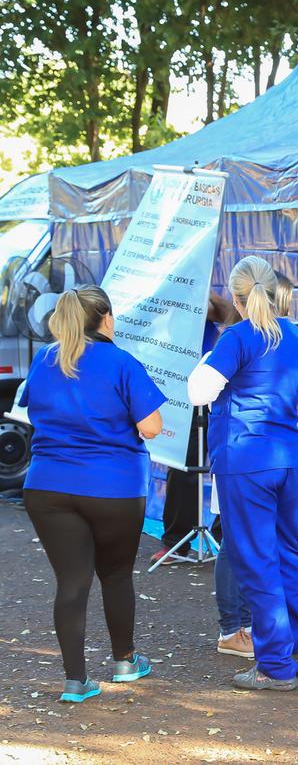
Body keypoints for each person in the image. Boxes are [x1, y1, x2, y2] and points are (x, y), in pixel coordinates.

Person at [20, 286, 166, 703]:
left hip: (47, 486)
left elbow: (32, 405)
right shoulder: (121, 361)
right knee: (116, 574)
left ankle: (75, 681)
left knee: (71, 582)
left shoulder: (46, 358)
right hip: (114, 487)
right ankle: (125, 663)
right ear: (106, 318)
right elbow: (152, 426)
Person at [187, 256, 298, 692]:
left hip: (246, 458)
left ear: (237, 298)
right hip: (288, 455)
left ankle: (276, 665)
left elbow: (199, 391)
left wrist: (208, 357)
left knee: (257, 561)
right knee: (287, 552)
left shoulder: (237, 336)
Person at [152, 292, 236, 566]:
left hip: (213, 392)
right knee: (182, 468)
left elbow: (224, 314)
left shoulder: (202, 297)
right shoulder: (161, 295)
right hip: (179, 393)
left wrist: (203, 290)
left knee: (226, 464)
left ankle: (222, 537)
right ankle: (175, 540)